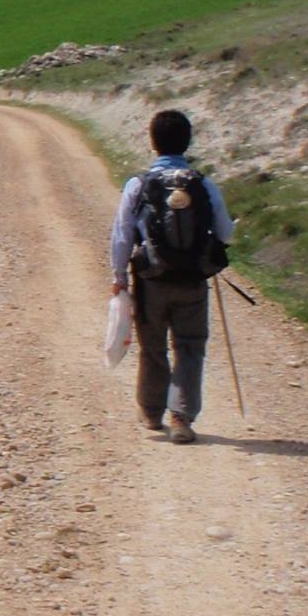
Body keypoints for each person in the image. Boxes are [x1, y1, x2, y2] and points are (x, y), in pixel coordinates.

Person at [108, 109, 235, 443]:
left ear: (153, 143)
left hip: (151, 280)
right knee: (190, 347)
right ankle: (181, 416)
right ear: (187, 141)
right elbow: (225, 233)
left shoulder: (139, 184)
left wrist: (119, 276)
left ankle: (151, 413)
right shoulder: (203, 183)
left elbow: (122, 234)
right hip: (192, 280)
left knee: (153, 348)